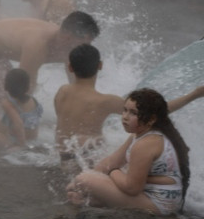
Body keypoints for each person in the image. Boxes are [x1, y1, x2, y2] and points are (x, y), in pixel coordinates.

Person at [54, 43, 204, 170]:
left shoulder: (62, 91)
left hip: (64, 157)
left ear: (70, 67)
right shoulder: (104, 101)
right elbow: (155, 110)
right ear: (100, 65)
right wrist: (194, 94)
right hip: (89, 159)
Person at [67, 88, 191, 215]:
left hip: (158, 204)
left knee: (85, 179)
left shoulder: (146, 143)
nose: (125, 117)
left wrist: (113, 172)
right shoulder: (139, 135)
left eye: (133, 113)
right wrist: (75, 184)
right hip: (151, 195)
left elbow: (132, 188)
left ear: (152, 119)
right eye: (125, 110)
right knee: (79, 192)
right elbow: (111, 161)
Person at [0, 11, 100, 96]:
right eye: (86, 42)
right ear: (68, 36)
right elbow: (24, 89)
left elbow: (78, 83)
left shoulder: (68, 45)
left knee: (5, 92)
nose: (88, 47)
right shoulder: (38, 44)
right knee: (6, 93)